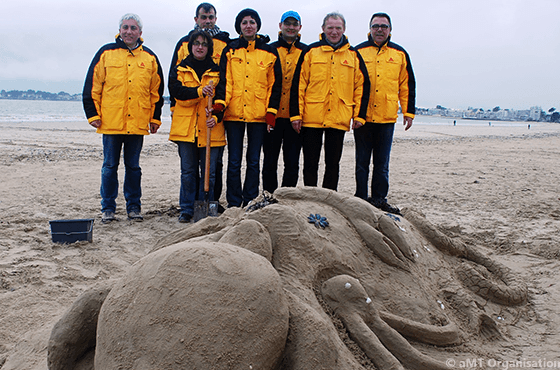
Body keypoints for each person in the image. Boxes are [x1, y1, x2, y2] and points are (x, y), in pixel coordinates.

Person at [83, 13, 164, 223]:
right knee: (109, 166)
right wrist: (92, 114)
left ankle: (134, 207)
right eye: (125, 27)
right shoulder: (106, 53)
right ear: (120, 30)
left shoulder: (150, 58)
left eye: (133, 28)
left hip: (137, 123)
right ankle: (108, 208)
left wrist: (154, 119)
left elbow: (156, 92)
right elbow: (92, 86)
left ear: (140, 33)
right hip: (111, 122)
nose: (129, 31)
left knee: (133, 167)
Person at [290, 12, 370, 191]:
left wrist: (359, 116)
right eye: (330, 28)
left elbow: (361, 87)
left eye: (338, 28)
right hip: (312, 117)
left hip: (339, 117)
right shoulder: (310, 52)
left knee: (333, 164)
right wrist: (296, 114)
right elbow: (299, 84)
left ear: (344, 29)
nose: (334, 32)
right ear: (323, 29)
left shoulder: (353, 55)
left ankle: (329, 199)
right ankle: (311, 197)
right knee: (310, 162)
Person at [214, 8, 282, 208]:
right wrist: (220, 105)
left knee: (253, 161)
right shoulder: (231, 50)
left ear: (257, 26)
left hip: (259, 116)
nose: (248, 25)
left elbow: (274, 86)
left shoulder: (269, 52)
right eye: (244, 22)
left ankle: (250, 199)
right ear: (239, 27)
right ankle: (234, 202)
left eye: (252, 22)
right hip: (234, 113)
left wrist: (271, 112)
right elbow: (225, 82)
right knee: (234, 161)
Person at [170, 2, 231, 210]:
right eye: (203, 17)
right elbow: (174, 88)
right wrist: (174, 110)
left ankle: (209, 204)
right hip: (187, 120)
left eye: (211, 17)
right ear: (196, 19)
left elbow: (225, 89)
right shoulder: (182, 50)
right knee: (188, 170)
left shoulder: (224, 45)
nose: (207, 20)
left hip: (211, 122)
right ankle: (188, 208)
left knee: (212, 169)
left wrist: (218, 114)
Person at [354, 12, 416, 215]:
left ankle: (379, 199)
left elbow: (406, 85)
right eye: (375, 26)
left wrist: (408, 112)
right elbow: (349, 83)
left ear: (390, 30)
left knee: (382, 164)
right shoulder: (358, 52)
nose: (379, 29)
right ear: (369, 29)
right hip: (362, 117)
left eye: (384, 26)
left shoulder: (399, 54)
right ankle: (361, 198)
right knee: (362, 162)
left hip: (387, 117)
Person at [262, 10, 307, 194]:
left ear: (299, 27)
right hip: (272, 115)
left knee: (292, 161)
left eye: (294, 24)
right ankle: (269, 195)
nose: (290, 27)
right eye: (287, 24)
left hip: (295, 117)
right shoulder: (270, 50)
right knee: (270, 160)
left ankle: (287, 197)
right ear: (280, 26)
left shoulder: (306, 51)